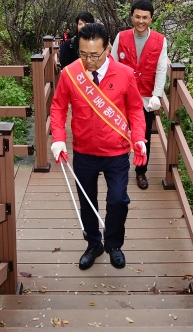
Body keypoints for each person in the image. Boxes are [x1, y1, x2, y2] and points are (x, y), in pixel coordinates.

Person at [50, 23, 147, 270]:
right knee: (87, 200)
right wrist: (59, 138)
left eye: (95, 55)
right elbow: (58, 107)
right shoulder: (71, 74)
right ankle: (93, 244)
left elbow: (136, 109)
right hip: (84, 152)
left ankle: (114, 244)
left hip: (116, 152)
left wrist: (138, 138)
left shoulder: (124, 74)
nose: (89, 61)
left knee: (118, 201)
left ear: (108, 49)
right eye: (83, 54)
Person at [111, 0, 168, 190]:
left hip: (145, 98)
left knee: (142, 136)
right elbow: (111, 65)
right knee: (118, 132)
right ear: (132, 17)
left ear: (151, 19)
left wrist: (157, 95)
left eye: (145, 17)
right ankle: (118, 167)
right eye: (137, 17)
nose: (141, 21)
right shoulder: (121, 36)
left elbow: (161, 70)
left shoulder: (160, 40)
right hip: (122, 96)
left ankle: (141, 171)